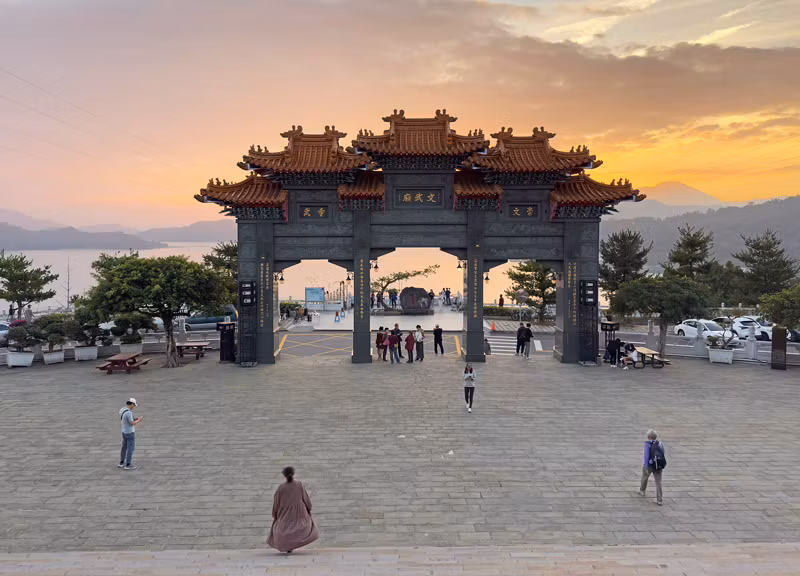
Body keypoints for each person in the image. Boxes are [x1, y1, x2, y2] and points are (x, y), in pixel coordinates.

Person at [267, 466, 319, 553]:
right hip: (299, 513)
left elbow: (276, 503)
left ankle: (288, 545)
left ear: (284, 475)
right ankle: (294, 543)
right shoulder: (299, 484)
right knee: (302, 526)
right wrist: (308, 509)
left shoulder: (281, 488)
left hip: (285, 513)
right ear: (293, 474)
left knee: (283, 528)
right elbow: (305, 499)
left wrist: (274, 514)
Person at [639, 429, 667, 506]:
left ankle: (642, 490)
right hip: (658, 465)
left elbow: (646, 455)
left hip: (650, 465)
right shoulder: (660, 444)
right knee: (658, 482)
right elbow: (662, 453)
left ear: (649, 437)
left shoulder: (647, 444)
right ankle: (659, 499)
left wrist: (646, 465)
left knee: (645, 477)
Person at [118, 398, 142, 471]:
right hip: (130, 432)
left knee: (124, 447)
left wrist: (134, 418)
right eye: (134, 405)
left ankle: (121, 462)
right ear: (131, 404)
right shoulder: (129, 413)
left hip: (123, 431)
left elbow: (125, 419)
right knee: (130, 448)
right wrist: (138, 420)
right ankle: (128, 464)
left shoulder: (122, 409)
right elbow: (132, 423)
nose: (134, 407)